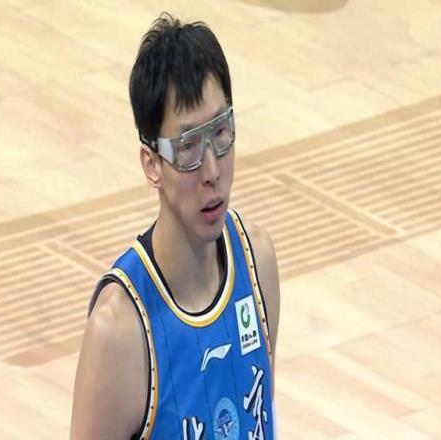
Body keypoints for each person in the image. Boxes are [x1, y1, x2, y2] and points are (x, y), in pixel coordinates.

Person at [71, 12, 280, 440]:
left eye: (220, 133)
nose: (212, 171)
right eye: (188, 147)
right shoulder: (120, 331)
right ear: (152, 164)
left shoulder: (257, 262)